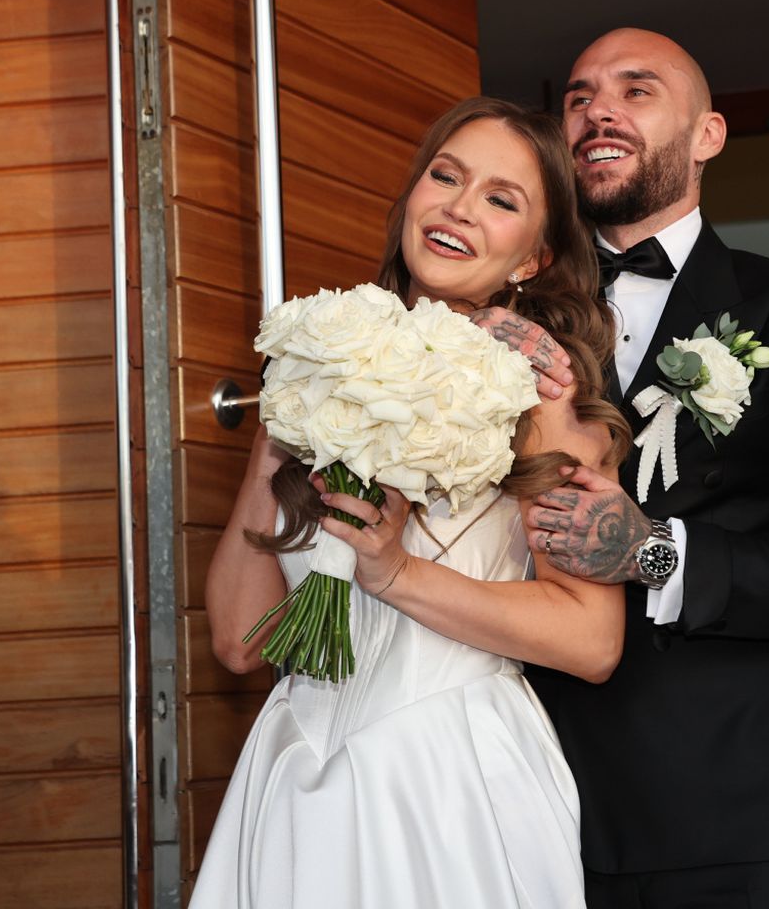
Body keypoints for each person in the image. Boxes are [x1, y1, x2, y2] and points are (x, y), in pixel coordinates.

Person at [190, 97, 632, 909]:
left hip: (448, 782)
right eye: (446, 177)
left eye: (501, 199)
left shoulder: (542, 397)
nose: (459, 208)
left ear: (533, 258)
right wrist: (280, 427)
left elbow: (592, 640)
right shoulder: (323, 365)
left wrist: (396, 573)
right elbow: (241, 643)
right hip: (296, 776)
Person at [521, 27, 769, 908]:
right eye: (578, 97)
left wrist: (653, 553)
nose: (598, 112)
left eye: (636, 90)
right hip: (541, 805)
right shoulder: (508, 322)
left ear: (708, 135)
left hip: (745, 813)